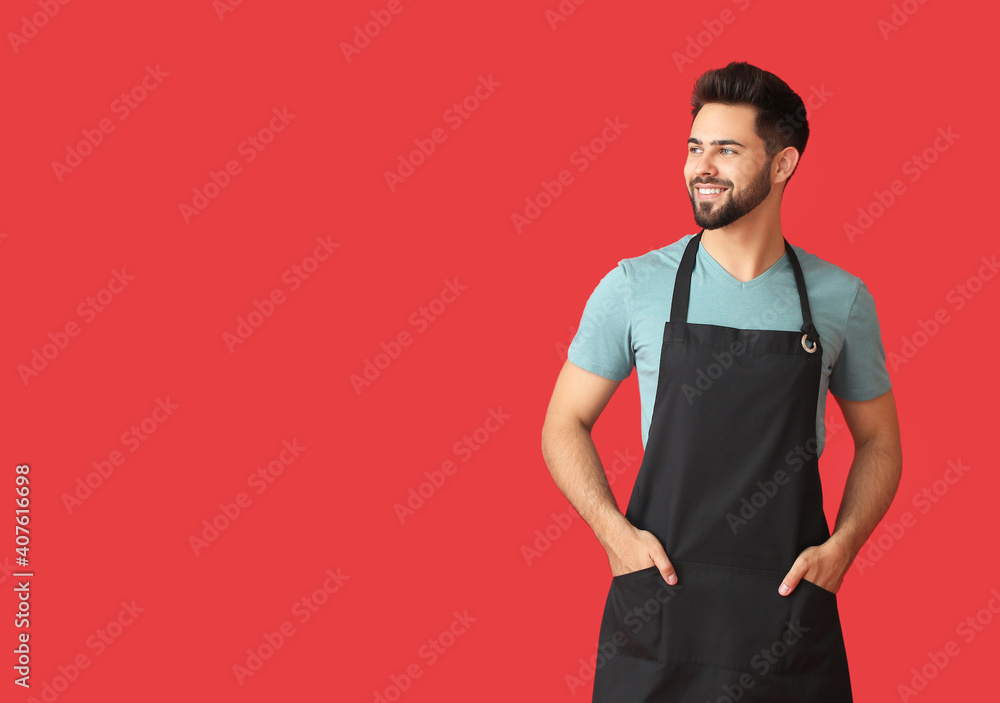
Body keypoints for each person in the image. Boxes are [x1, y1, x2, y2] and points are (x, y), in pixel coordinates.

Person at [540, 61, 902, 702]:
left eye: (726, 149)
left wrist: (842, 548)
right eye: (694, 147)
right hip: (660, 612)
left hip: (786, 618)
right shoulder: (633, 287)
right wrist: (613, 535)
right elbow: (562, 422)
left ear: (783, 164)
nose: (701, 166)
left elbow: (880, 442)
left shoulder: (839, 299)